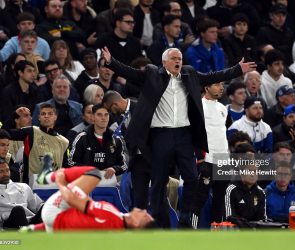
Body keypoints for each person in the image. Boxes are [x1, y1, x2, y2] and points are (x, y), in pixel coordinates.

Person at [101, 46, 256, 228]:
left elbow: (213, 76)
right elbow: (131, 73)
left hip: (183, 134)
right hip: (160, 134)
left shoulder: (189, 74)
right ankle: (162, 222)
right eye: (174, 58)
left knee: (191, 177)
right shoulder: (152, 73)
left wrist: (237, 70)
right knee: (159, 180)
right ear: (164, 61)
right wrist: (111, 62)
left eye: (180, 58)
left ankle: (185, 219)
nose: (178, 61)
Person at [36, 157, 153, 231]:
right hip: (58, 228)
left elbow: (71, 198)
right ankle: (30, 229)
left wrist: (60, 182)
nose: (144, 210)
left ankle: (48, 176)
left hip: (55, 212)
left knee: (94, 173)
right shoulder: (117, 231)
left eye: (145, 215)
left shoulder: (111, 215)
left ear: (137, 223)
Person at [191, 81, 229, 228]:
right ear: (206, 87)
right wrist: (200, 159)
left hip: (223, 161)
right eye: (217, 84)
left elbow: (221, 134)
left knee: (219, 200)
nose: (221, 87)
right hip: (206, 159)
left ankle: (216, 235)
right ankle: (190, 234)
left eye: (222, 84)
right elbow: (194, 134)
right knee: (199, 199)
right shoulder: (198, 106)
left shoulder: (222, 108)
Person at [5, 104, 69, 185]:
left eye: (50, 114)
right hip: (30, 185)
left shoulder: (64, 141)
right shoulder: (31, 131)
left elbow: (65, 167)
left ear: (55, 117)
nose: (46, 116)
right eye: (43, 114)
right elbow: (4, 133)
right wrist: (15, 114)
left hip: (53, 185)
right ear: (39, 117)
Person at [68, 104, 128, 179]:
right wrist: (88, 170)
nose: (103, 118)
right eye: (99, 115)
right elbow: (70, 162)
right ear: (93, 117)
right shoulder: (82, 137)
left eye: (106, 115)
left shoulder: (116, 139)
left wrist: (114, 169)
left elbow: (123, 165)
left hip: (108, 181)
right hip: (85, 180)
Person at [0, 159, 43, 229]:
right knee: (18, 210)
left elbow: (36, 206)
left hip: (30, 221)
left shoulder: (23, 186)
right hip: (9, 224)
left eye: (7, 170)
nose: (5, 174)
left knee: (48, 206)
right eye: (1, 171)